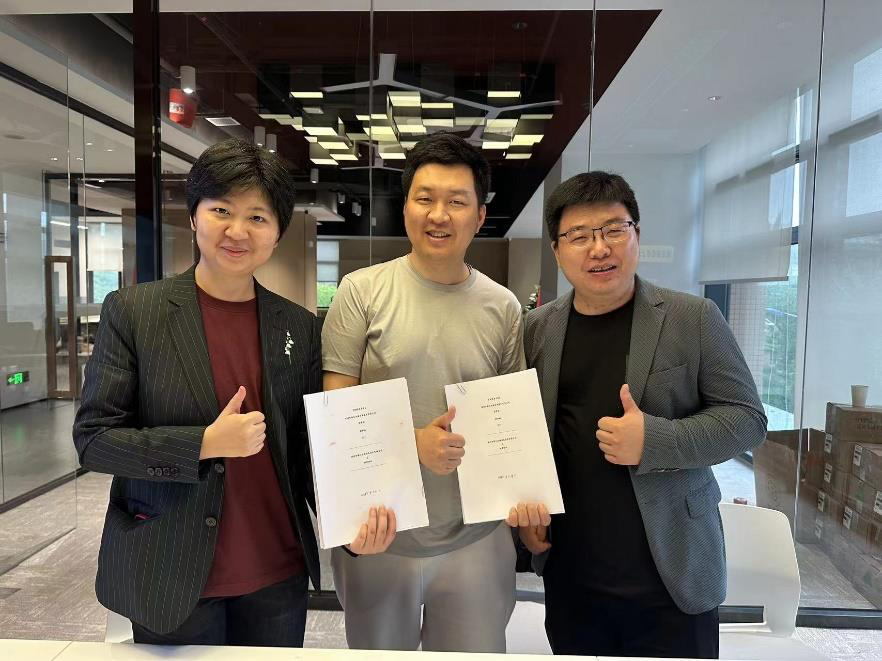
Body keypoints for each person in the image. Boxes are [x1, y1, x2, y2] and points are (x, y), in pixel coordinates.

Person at [73, 138, 389, 646]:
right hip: (172, 569)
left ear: (278, 232)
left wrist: (352, 524)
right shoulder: (134, 312)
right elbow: (94, 440)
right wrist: (201, 444)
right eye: (221, 210)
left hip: (276, 570)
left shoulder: (299, 326)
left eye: (257, 217)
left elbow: (308, 451)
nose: (237, 231)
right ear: (194, 216)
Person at [517, 171, 767, 658]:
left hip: (671, 573)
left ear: (637, 235)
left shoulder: (693, 318)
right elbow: (528, 432)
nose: (599, 248)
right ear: (557, 250)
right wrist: (527, 508)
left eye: (614, 229)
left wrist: (655, 440)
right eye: (579, 235)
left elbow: (746, 420)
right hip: (573, 572)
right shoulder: (538, 329)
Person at [321, 132, 528, 653]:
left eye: (457, 201)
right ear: (406, 207)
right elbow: (336, 417)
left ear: (480, 216)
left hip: (476, 534)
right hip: (381, 530)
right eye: (425, 198)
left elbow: (509, 423)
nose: (439, 215)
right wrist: (409, 444)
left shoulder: (503, 307)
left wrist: (525, 495)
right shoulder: (360, 291)